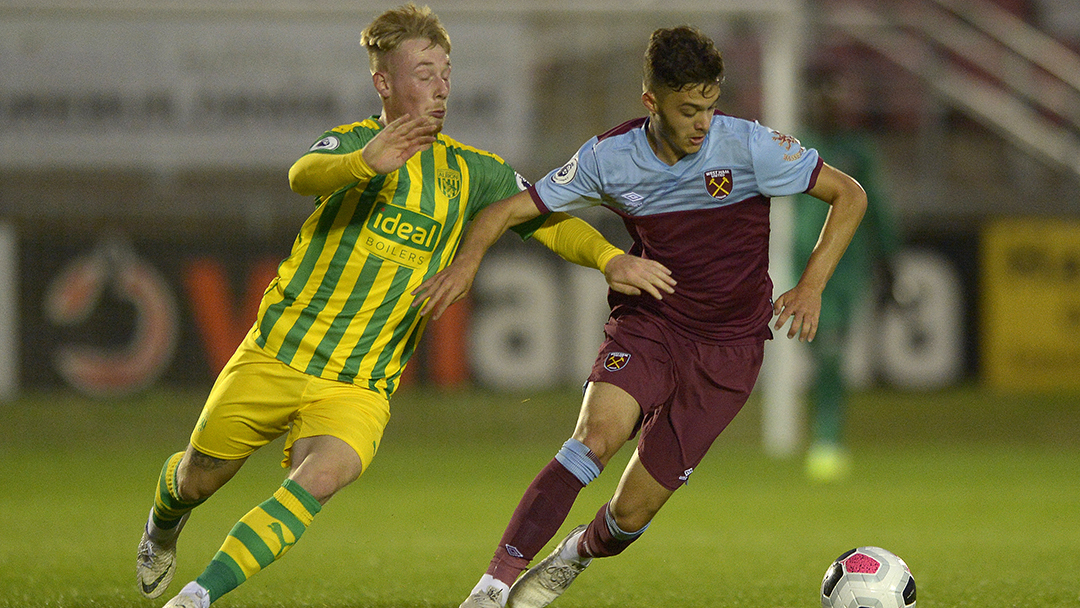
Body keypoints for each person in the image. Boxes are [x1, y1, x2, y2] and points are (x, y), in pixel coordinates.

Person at [134, 5, 674, 608]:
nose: (440, 86)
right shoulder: (357, 143)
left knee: (322, 476)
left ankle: (198, 597)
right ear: (384, 82)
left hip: (362, 380)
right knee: (197, 478)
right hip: (277, 353)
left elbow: (549, 223)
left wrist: (608, 258)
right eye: (423, 72)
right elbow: (302, 174)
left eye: (445, 72)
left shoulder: (473, 172)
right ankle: (164, 520)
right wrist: (362, 165)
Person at [414, 25, 868, 608]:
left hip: (730, 350)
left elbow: (848, 193)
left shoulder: (750, 145)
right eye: (687, 109)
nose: (703, 122)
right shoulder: (610, 157)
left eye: (709, 105)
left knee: (629, 515)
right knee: (592, 440)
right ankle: (491, 587)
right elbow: (502, 211)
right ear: (651, 101)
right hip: (652, 324)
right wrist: (465, 267)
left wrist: (811, 285)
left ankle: (576, 553)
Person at [794, 66, 900, 482]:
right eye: (821, 94)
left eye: (833, 94)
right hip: (796, 267)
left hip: (845, 270)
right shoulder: (796, 145)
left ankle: (826, 439)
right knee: (819, 355)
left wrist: (888, 262)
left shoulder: (859, 150)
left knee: (831, 352)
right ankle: (821, 433)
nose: (827, 103)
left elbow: (878, 211)